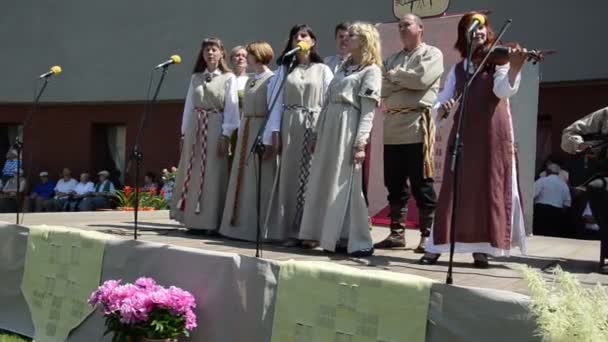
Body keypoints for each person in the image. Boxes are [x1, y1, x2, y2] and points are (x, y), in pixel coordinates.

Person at [420, 12, 529, 267]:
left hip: (493, 134)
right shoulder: (458, 69)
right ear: (464, 34)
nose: (479, 32)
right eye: (473, 27)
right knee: (453, 190)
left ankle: (482, 249)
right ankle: (437, 245)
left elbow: (502, 91)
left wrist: (513, 68)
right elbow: (440, 103)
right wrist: (443, 108)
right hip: (464, 135)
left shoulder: (499, 61)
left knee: (487, 189)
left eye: (482, 28)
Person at [298, 22, 382, 257]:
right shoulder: (344, 67)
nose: (347, 39)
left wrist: (360, 144)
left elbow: (367, 111)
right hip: (329, 126)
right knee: (325, 179)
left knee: (346, 183)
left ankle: (356, 238)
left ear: (365, 41)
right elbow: (326, 101)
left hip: (348, 126)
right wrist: (317, 131)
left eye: (353, 36)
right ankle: (327, 234)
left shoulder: (371, 71)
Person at [375, 14, 444, 253]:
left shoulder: (432, 54)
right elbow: (380, 87)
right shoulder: (392, 58)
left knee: (421, 182)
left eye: (407, 24)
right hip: (393, 126)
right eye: (400, 25)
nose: (403, 28)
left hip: (417, 123)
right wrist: (403, 79)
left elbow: (422, 79)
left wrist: (395, 76)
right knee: (393, 182)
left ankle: (428, 236)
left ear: (420, 28)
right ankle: (397, 234)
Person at [263, 24, 333, 247]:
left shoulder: (323, 70)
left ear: (313, 41)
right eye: (295, 37)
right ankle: (290, 231)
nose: (299, 39)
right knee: (289, 177)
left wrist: (321, 132)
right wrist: (274, 131)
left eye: (304, 35)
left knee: (312, 177)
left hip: (313, 124)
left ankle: (311, 232)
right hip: (290, 124)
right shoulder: (285, 69)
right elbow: (275, 103)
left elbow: (328, 103)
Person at [170, 38, 240, 233]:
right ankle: (192, 220)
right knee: (193, 172)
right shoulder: (196, 78)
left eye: (214, 49)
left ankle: (211, 221)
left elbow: (231, 109)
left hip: (216, 125)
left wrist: (226, 134)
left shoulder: (228, 78)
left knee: (213, 173)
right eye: (207, 50)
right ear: (202, 54)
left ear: (221, 53)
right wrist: (184, 134)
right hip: (196, 126)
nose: (210, 53)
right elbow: (189, 107)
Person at [220, 41, 278, 241]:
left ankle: (258, 228)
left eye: (250, 54)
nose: (247, 57)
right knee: (242, 178)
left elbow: (273, 109)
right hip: (246, 128)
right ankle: (239, 225)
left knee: (257, 178)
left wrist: (269, 136)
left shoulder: (272, 79)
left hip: (260, 129)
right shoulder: (251, 80)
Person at [561, 106, 608, 272]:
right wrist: (582, 146)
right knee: (597, 188)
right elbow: (568, 134)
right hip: (605, 174)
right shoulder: (604, 115)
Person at [533, 163, 571, 236]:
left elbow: (532, 195)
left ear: (547, 171)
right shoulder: (564, 185)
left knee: (539, 234)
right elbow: (567, 204)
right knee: (552, 235)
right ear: (558, 173)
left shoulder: (542, 181)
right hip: (556, 212)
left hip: (541, 211)